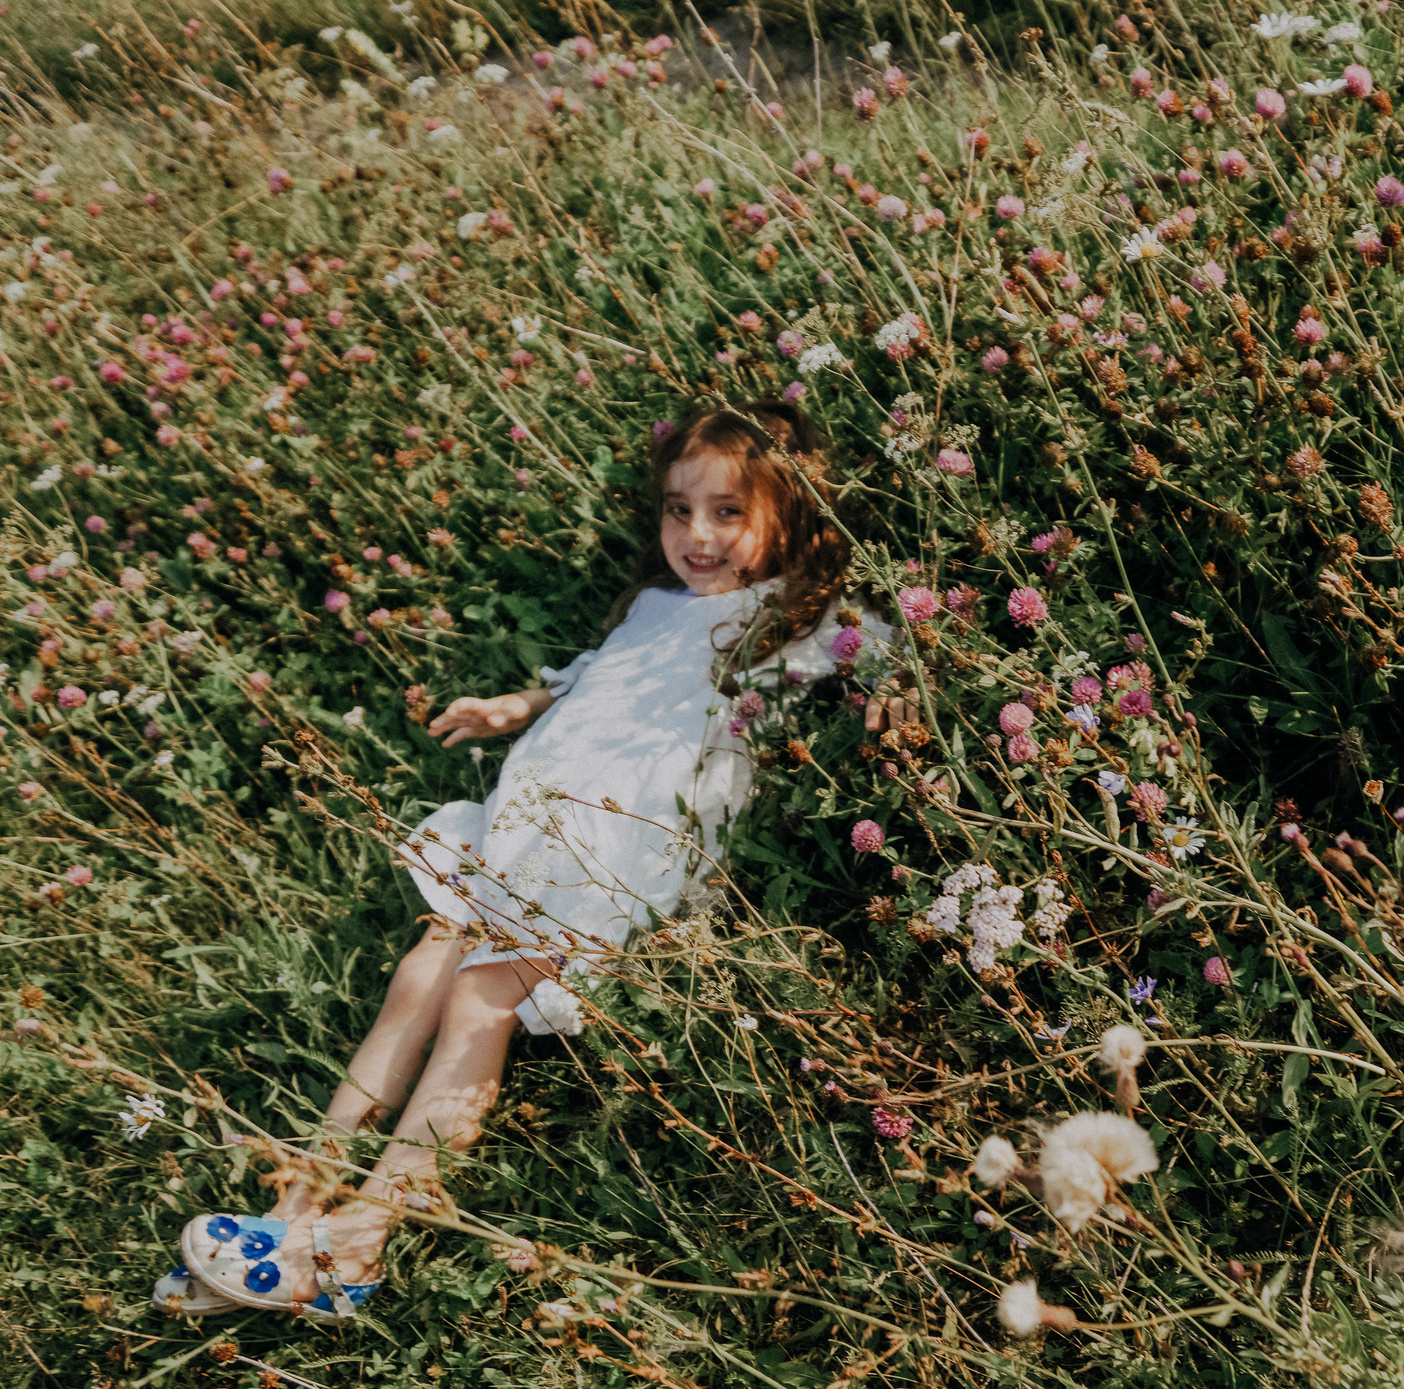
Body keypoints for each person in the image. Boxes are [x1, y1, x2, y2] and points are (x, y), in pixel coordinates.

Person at [161, 401, 902, 1318]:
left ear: (790, 514)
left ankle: (363, 1237)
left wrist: (898, 693)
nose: (697, 536)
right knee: (421, 972)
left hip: (614, 850)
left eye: (728, 512)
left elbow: (888, 649)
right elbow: (594, 677)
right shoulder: (655, 607)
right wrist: (517, 706)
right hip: (526, 824)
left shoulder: (800, 616)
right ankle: (296, 1200)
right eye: (679, 510)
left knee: (483, 998)